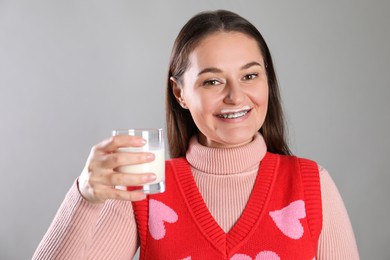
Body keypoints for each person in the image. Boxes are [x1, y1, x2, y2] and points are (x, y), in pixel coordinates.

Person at [33, 10, 359, 259]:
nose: (235, 96)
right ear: (180, 93)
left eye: (250, 75)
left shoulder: (309, 182)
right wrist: (86, 197)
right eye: (212, 81)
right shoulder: (146, 186)